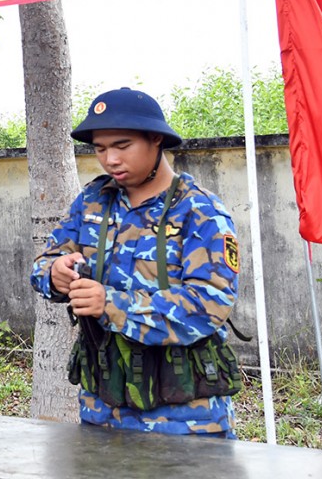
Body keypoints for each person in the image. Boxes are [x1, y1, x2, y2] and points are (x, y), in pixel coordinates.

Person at [30, 87, 242, 436]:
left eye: (122, 146)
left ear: (155, 139)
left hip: (185, 419)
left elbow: (209, 306)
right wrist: (54, 274)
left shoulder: (199, 211)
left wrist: (110, 304)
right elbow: (46, 262)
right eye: (100, 148)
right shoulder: (94, 201)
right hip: (102, 408)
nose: (110, 159)